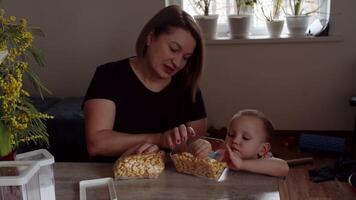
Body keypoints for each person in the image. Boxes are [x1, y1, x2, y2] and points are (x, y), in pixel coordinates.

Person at [83, 5, 207, 160]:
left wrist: (195, 147)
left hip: (170, 178)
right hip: (112, 177)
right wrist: (159, 139)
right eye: (173, 49)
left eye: (186, 57)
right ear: (150, 37)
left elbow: (194, 146)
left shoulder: (188, 86)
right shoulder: (108, 75)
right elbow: (96, 143)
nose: (177, 63)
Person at [189, 109, 289, 177]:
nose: (235, 141)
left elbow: (283, 167)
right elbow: (195, 160)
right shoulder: (222, 156)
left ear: (262, 149)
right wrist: (198, 148)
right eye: (231, 135)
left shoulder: (266, 161)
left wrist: (241, 164)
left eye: (245, 138)